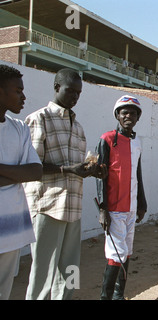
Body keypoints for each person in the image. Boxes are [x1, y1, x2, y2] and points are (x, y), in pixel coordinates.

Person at [23, 68, 106, 300]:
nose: (75, 97)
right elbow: (31, 167)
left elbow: (77, 168)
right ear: (57, 87)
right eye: (70, 91)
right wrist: (69, 169)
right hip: (48, 206)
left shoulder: (77, 127)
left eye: (79, 93)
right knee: (43, 273)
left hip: (73, 206)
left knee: (70, 271)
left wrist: (93, 171)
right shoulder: (38, 119)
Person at [96, 95, 147, 300]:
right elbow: (100, 176)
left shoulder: (137, 143)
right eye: (124, 112)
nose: (128, 116)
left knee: (126, 252)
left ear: (137, 117)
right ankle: (106, 297)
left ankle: (119, 295)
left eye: (133, 113)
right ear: (117, 115)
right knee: (116, 254)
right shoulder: (107, 139)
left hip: (131, 207)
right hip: (114, 209)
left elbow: (138, 175)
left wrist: (142, 204)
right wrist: (102, 209)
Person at [0, 65, 43, 300]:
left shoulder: (19, 128)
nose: (23, 96)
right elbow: (25, 171)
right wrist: (17, 173)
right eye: (17, 91)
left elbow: (35, 171)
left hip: (13, 228)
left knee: (4, 290)